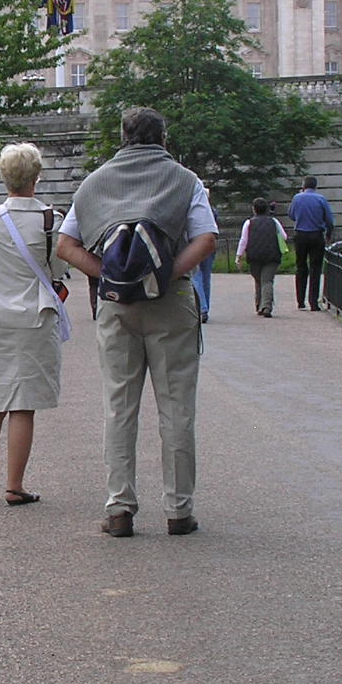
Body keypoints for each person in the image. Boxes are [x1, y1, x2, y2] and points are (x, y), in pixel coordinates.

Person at [56, 107, 218, 538]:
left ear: (122, 137)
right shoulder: (185, 180)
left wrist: (113, 279)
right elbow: (206, 238)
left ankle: (119, 509)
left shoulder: (95, 183)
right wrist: (164, 276)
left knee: (118, 406)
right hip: (171, 303)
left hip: (116, 306)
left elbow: (66, 246)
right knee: (177, 406)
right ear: (164, 139)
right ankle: (179, 511)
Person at [0, 143, 71, 507]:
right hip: (34, 320)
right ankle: (14, 485)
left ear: (4, 176)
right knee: (23, 406)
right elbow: (58, 270)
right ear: (36, 177)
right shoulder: (50, 220)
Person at [288, 175, 335, 311]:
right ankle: (313, 302)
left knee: (301, 267)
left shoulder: (297, 198)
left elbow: (291, 215)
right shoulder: (321, 199)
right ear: (315, 186)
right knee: (316, 268)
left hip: (301, 235)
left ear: (303, 186)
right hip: (316, 235)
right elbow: (329, 220)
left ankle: (300, 301)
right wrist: (328, 234)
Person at [236, 197, 288, 317]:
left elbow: (243, 240)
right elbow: (284, 236)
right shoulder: (273, 221)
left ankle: (260, 305)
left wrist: (238, 256)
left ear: (254, 209)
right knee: (267, 281)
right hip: (272, 255)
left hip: (254, 256)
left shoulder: (249, 223)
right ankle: (266, 306)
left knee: (259, 280)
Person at [191, 181, 214, 323]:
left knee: (197, 276)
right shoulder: (212, 212)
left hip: (195, 244)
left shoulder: (192, 209)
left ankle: (202, 308)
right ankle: (206, 307)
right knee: (206, 278)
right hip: (209, 246)